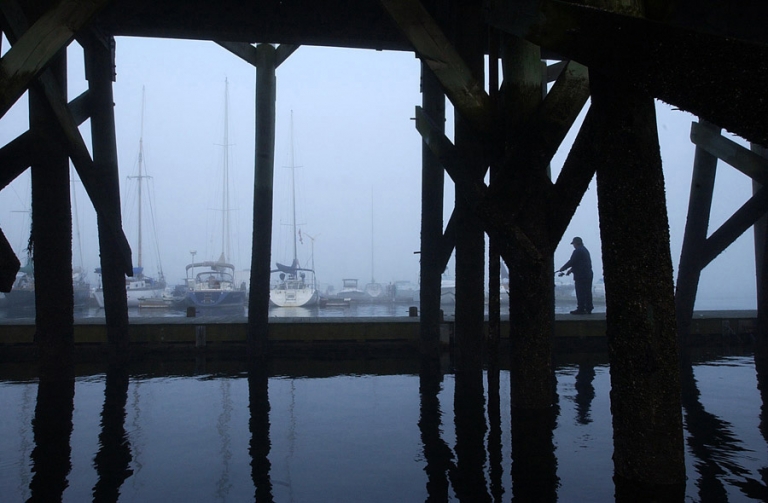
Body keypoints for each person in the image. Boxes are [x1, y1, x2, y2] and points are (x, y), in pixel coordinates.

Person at [558, 236, 594, 314]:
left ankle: (581, 309)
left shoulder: (577, 251)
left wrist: (563, 268)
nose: (573, 245)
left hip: (581, 276)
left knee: (580, 292)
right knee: (587, 292)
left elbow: (572, 261)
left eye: (573, 243)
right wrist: (571, 270)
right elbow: (581, 264)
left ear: (577, 243)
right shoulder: (584, 250)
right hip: (588, 274)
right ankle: (589, 307)